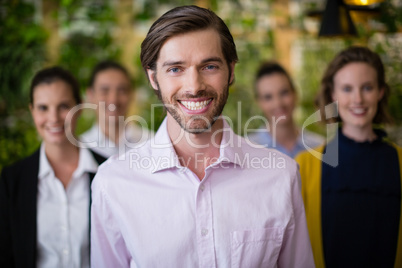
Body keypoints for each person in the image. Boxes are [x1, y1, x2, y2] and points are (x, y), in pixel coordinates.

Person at [91, 5, 314, 267]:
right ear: (153, 78)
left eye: (209, 66)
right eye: (175, 69)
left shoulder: (280, 176)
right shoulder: (113, 184)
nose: (194, 86)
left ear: (231, 72)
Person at [295, 46, 402, 268]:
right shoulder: (305, 166)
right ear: (333, 94)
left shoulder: (401, 163)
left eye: (367, 88)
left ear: (380, 91)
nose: (358, 99)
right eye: (347, 89)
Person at [0, 67, 106, 268]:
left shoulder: (107, 172)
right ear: (32, 111)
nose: (54, 117)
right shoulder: (12, 180)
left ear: (79, 107)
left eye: (63, 106)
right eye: (43, 108)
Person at [247, 61, 324, 158]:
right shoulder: (247, 150)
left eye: (284, 93)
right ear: (259, 102)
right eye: (268, 97)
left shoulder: (318, 147)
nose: (278, 103)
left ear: (295, 93)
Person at [80, 60, 151, 158]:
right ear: (90, 95)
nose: (113, 99)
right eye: (104, 90)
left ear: (131, 95)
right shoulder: (79, 149)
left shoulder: (151, 143)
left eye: (122, 90)